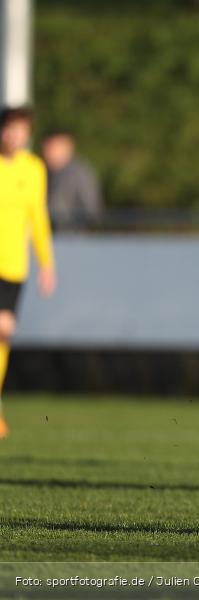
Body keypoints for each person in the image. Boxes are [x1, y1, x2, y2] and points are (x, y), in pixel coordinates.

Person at [0, 107, 56, 438]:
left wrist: (46, 263)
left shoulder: (34, 169)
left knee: (4, 335)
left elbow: (38, 218)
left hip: (14, 266)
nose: (14, 135)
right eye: (9, 129)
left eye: (21, 130)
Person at [42, 130, 103, 230]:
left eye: (52, 148)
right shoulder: (43, 170)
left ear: (68, 148)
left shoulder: (81, 173)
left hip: (73, 238)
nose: (47, 152)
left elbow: (92, 211)